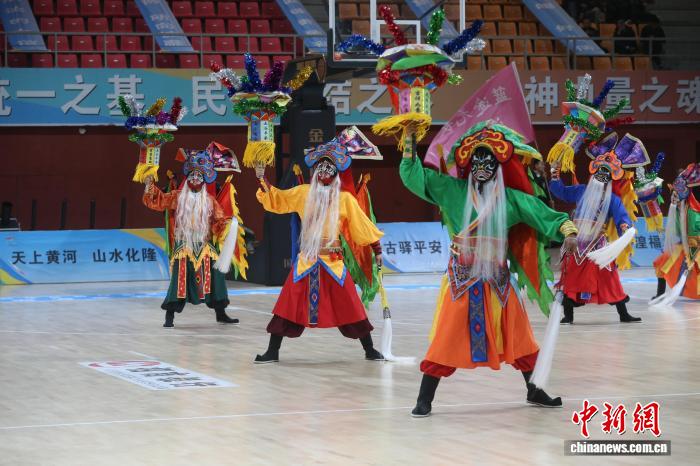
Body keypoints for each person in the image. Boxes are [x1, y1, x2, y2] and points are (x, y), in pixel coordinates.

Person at [401, 123, 580, 417]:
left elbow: (546, 214)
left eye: (489, 162)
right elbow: (414, 176)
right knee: (446, 337)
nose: (482, 167)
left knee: (520, 337)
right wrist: (409, 140)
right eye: (477, 161)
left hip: (497, 279)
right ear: (469, 165)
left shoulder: (510, 199)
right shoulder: (453, 191)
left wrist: (568, 232)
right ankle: (424, 399)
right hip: (462, 279)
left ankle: (534, 390)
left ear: (498, 166)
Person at [253, 132, 385, 364]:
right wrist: (261, 178)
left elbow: (362, 226)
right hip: (307, 259)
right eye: (320, 169)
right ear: (315, 172)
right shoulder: (303, 193)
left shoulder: (345, 200)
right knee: (287, 304)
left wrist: (377, 250)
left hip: (333, 260)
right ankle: (272, 351)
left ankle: (369, 349)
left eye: (328, 169)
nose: (323, 173)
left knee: (351, 304)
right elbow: (277, 199)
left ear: (335, 173)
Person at [142, 145, 246, 327]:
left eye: (199, 175)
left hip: (204, 245)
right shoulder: (177, 196)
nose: (195, 178)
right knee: (178, 280)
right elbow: (158, 201)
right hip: (184, 245)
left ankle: (221, 313)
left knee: (216, 278)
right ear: (188, 177)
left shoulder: (210, 201)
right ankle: (169, 316)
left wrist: (229, 226)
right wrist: (149, 185)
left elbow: (219, 222)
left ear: (204, 180)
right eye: (192, 175)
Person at [550, 137, 642, 324]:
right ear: (594, 172)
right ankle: (568, 316)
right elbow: (561, 192)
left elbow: (622, 217)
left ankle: (624, 314)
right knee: (571, 277)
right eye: (600, 171)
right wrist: (554, 173)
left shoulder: (613, 199)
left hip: (598, 246)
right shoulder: (581, 190)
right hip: (576, 244)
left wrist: (625, 227)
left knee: (609, 277)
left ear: (610, 178)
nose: (602, 176)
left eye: (606, 174)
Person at [652, 164, 700, 302]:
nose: (675, 196)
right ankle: (660, 294)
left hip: (695, 245)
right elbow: (680, 230)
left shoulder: (694, 211)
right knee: (661, 262)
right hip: (685, 245)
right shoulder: (680, 210)